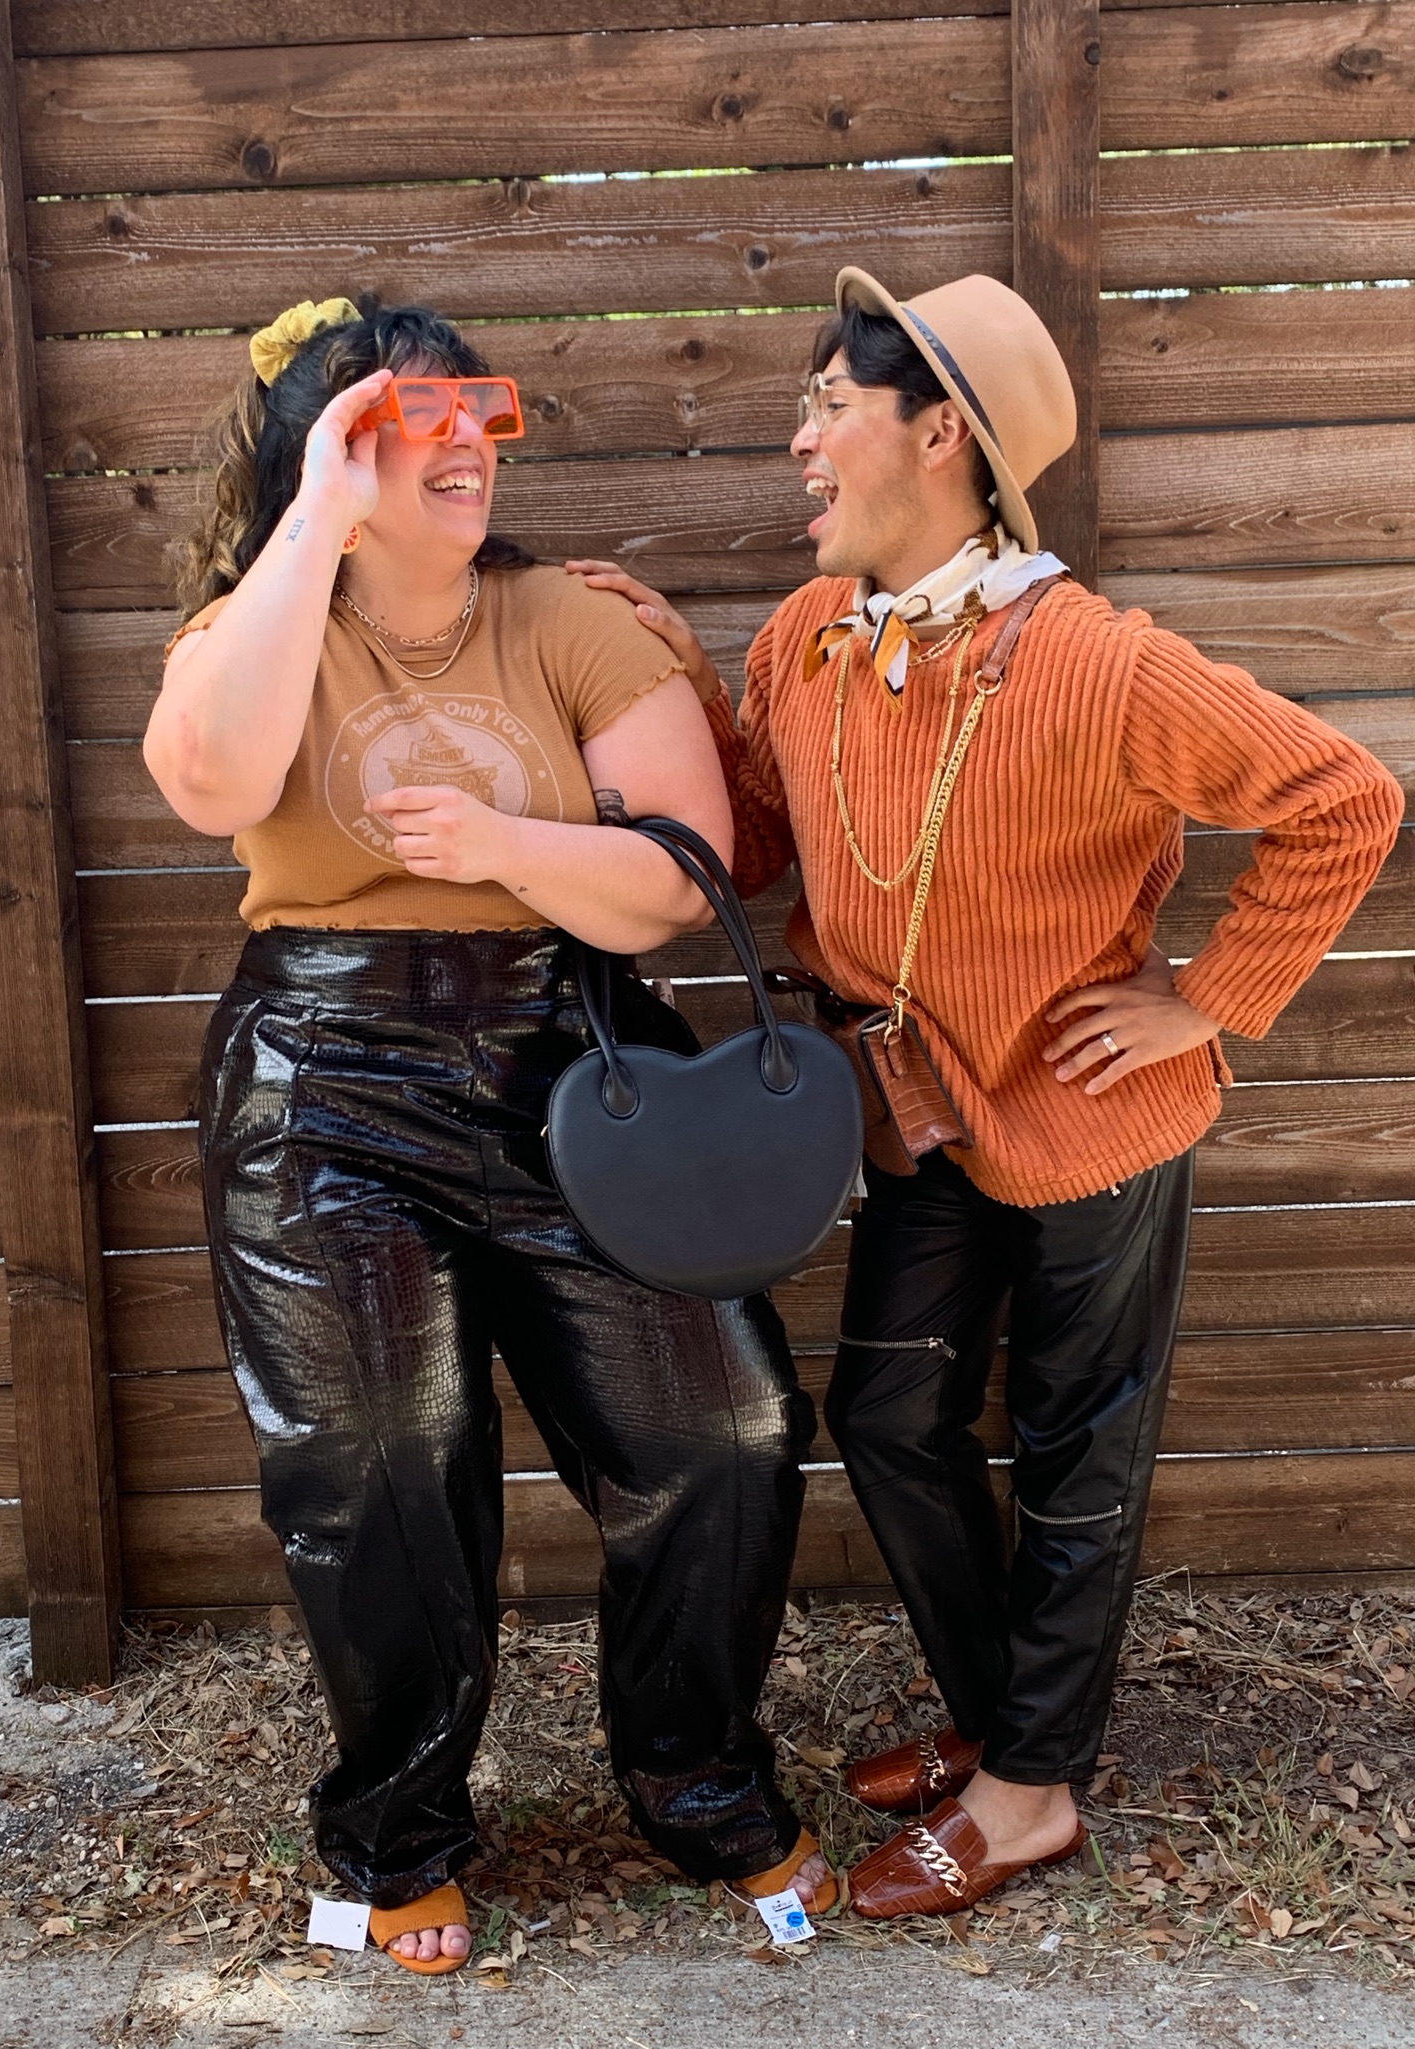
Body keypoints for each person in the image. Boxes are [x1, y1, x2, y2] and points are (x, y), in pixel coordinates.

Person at [569, 269, 1403, 1918]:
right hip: (920, 1107)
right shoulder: (810, 637)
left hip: (1096, 1116)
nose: (797, 437)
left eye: (829, 404)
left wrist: (1206, 1005)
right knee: (888, 1415)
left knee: (1082, 1451)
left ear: (939, 430)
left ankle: (1028, 1792)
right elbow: (766, 844)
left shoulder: (1098, 661)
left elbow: (1346, 797)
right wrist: (681, 676)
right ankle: (1008, 1722)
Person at [143, 295, 836, 1972]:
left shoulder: (568, 617)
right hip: (323, 1078)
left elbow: (677, 874)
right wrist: (307, 522)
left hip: (568, 1049)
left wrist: (506, 844)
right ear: (329, 450)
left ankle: (693, 1778)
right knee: (375, 1460)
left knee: (726, 1424)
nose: (464, 440)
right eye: (409, 416)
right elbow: (212, 781)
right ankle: (399, 1833)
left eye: (480, 410)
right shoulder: (257, 626)